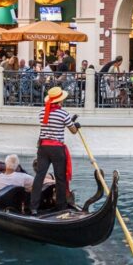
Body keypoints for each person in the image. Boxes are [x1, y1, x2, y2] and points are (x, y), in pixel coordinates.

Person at [30, 87, 79, 215]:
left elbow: (50, 125)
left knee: (39, 176)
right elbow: (73, 131)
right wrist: (76, 126)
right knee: (60, 178)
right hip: (57, 149)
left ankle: (33, 207)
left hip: (43, 148)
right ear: (60, 101)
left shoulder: (42, 112)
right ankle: (60, 207)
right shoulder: (63, 114)